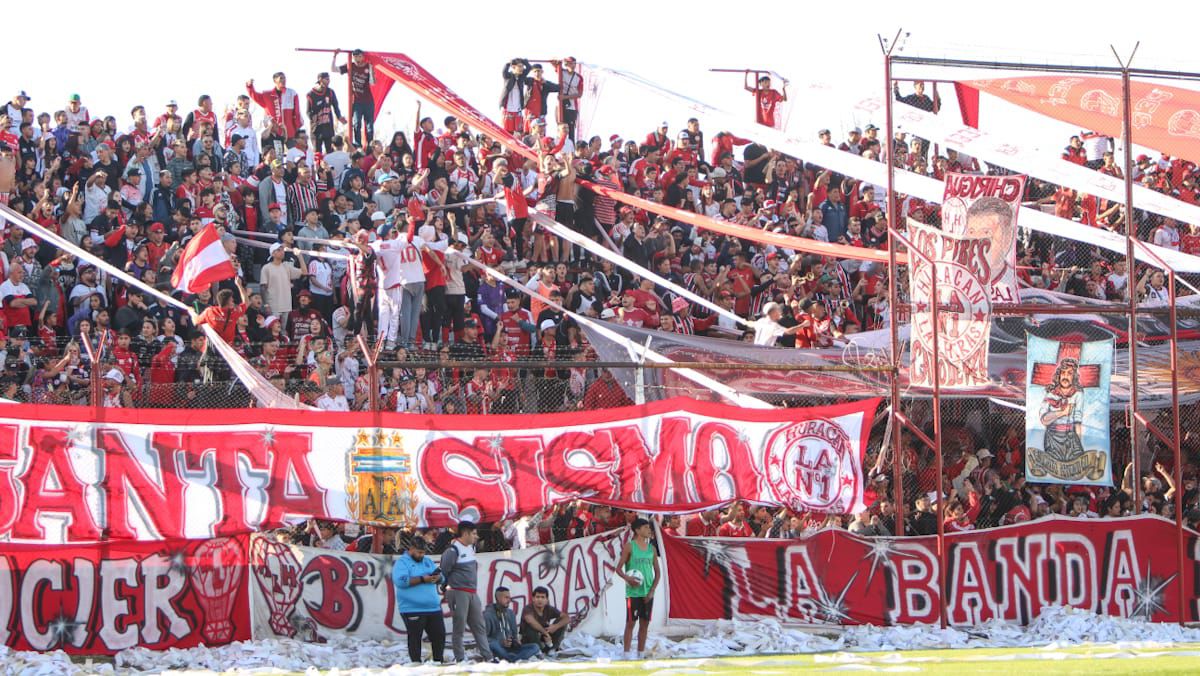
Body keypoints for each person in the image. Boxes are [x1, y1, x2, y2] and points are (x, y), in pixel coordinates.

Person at [440, 521, 495, 663]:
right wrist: (447, 588)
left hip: (472, 592)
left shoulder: (470, 548)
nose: (476, 536)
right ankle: (460, 658)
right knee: (459, 627)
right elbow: (444, 570)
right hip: (458, 592)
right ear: (465, 533)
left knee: (479, 626)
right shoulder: (453, 550)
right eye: (474, 533)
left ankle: (488, 657)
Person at [392, 538, 446, 664]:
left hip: (433, 608)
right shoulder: (402, 563)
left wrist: (438, 578)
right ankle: (416, 664)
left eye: (423, 552)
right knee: (415, 638)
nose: (421, 555)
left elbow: (442, 579)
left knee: (439, 636)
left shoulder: (427, 561)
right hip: (412, 608)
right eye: (418, 552)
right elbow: (401, 581)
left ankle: (438, 662)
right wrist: (423, 579)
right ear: (410, 549)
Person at [617, 517, 659, 660]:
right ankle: (626, 655)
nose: (649, 530)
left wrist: (652, 591)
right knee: (630, 623)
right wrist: (628, 579)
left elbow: (657, 573)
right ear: (637, 530)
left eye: (649, 528)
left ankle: (640, 654)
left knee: (644, 624)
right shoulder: (630, 546)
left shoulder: (652, 549)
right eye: (646, 528)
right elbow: (618, 569)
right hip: (633, 592)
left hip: (648, 593)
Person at [484, 586, 539, 662]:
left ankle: (512, 658)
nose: (509, 600)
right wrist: (501, 642)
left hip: (511, 649)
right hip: (498, 648)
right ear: (498, 598)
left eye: (509, 598)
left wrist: (515, 641)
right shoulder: (488, 615)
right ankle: (515, 658)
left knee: (535, 647)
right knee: (493, 644)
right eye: (506, 598)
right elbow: (483, 638)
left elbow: (514, 634)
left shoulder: (511, 613)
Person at [520, 586, 570, 655]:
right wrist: (545, 633)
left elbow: (567, 618)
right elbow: (530, 620)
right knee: (530, 627)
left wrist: (555, 626)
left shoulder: (548, 608)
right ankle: (538, 651)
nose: (540, 600)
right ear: (533, 599)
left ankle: (552, 649)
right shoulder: (528, 608)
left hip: (545, 640)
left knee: (561, 621)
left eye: (543, 597)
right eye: (537, 597)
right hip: (529, 642)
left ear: (547, 600)